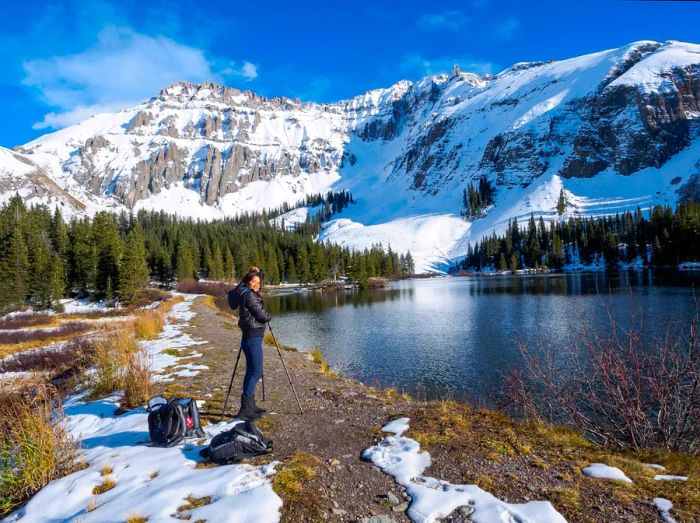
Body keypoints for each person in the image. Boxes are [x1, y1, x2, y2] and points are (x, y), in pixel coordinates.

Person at [229, 267, 271, 421]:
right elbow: (261, 315)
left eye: (258, 282)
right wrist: (268, 316)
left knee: (252, 371)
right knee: (256, 372)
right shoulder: (249, 295)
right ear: (248, 282)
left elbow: (238, 294)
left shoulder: (243, 293)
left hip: (250, 337)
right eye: (253, 282)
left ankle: (250, 406)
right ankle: (245, 408)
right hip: (252, 337)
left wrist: (257, 273)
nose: (257, 285)